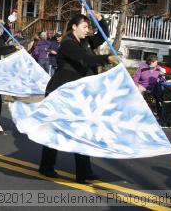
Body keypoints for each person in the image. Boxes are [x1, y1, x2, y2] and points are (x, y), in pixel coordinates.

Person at [38, 12, 118, 184]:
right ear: (74, 27)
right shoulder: (68, 44)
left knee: (82, 130)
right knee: (56, 130)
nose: (87, 30)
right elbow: (85, 59)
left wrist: (101, 19)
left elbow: (104, 35)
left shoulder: (86, 42)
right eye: (84, 26)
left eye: (88, 27)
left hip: (77, 93)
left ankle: (84, 171)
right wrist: (107, 58)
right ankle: (47, 167)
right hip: (60, 92)